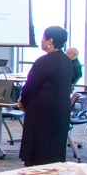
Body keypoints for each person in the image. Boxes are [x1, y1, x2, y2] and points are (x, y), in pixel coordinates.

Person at [19, 26, 75, 167]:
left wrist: (22, 102)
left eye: (43, 37)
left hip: (41, 112)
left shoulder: (43, 62)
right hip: (60, 110)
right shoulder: (67, 61)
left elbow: (30, 86)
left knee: (38, 155)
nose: (41, 40)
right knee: (54, 154)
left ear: (50, 40)